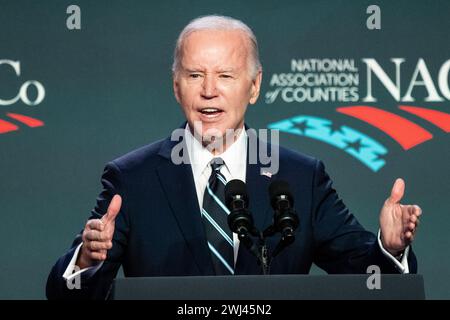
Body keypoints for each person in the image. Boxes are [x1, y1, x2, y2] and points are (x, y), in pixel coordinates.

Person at [46, 15, 422, 300]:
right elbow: (65, 293)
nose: (209, 91)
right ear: (177, 87)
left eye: (225, 75)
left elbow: (369, 277)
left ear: (254, 86)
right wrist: (85, 261)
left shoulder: (301, 177)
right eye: (195, 75)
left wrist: (390, 248)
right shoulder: (132, 178)